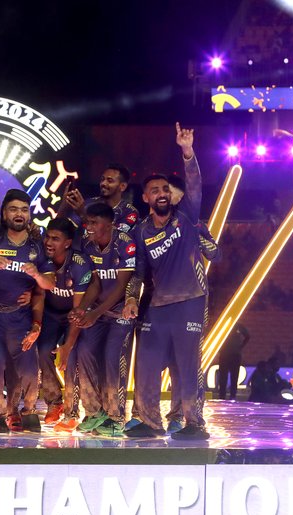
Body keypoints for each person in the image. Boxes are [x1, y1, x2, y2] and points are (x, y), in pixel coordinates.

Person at [123, 123, 210, 440]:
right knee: (145, 364)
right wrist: (132, 298)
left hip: (189, 301)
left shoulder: (185, 214)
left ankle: (194, 423)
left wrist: (187, 152)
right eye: (155, 190)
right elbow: (137, 271)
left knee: (187, 366)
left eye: (165, 189)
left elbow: (196, 184)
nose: (162, 193)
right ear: (146, 197)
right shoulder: (141, 232)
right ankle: (149, 421)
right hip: (157, 306)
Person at [0, 189, 52, 433]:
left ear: (29, 214)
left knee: (27, 365)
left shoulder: (37, 246)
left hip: (20, 316)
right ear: (4, 213)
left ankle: (27, 411)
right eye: (14, 209)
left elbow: (49, 285)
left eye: (24, 210)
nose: (19, 214)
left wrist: (37, 275)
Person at [68, 203, 136, 437]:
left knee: (112, 359)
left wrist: (93, 314)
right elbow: (95, 283)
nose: (89, 227)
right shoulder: (88, 245)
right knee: (84, 352)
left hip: (121, 313)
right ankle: (95, 413)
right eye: (88, 222)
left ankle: (116, 417)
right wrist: (83, 309)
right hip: (98, 311)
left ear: (110, 224)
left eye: (95, 223)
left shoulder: (124, 242)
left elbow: (121, 286)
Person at [35, 218, 92, 430]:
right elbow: (38, 293)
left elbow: (78, 312)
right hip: (50, 313)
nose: (49, 242)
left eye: (55, 239)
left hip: (72, 315)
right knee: (42, 351)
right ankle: (54, 403)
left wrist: (67, 346)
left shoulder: (79, 264)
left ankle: (72, 413)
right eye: (47, 237)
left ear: (67, 243)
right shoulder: (41, 256)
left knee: (70, 358)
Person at [59, 163, 138, 240]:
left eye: (109, 181)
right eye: (102, 179)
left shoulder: (129, 212)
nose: (103, 183)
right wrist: (64, 206)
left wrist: (83, 215)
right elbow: (61, 231)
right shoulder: (88, 204)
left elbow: (112, 240)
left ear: (122, 186)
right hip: (80, 252)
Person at [217, 324, 250, 400]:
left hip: (235, 354)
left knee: (234, 376)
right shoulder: (223, 324)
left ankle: (232, 395)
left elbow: (248, 336)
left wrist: (240, 347)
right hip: (224, 354)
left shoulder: (238, 326)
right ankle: (222, 396)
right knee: (223, 376)